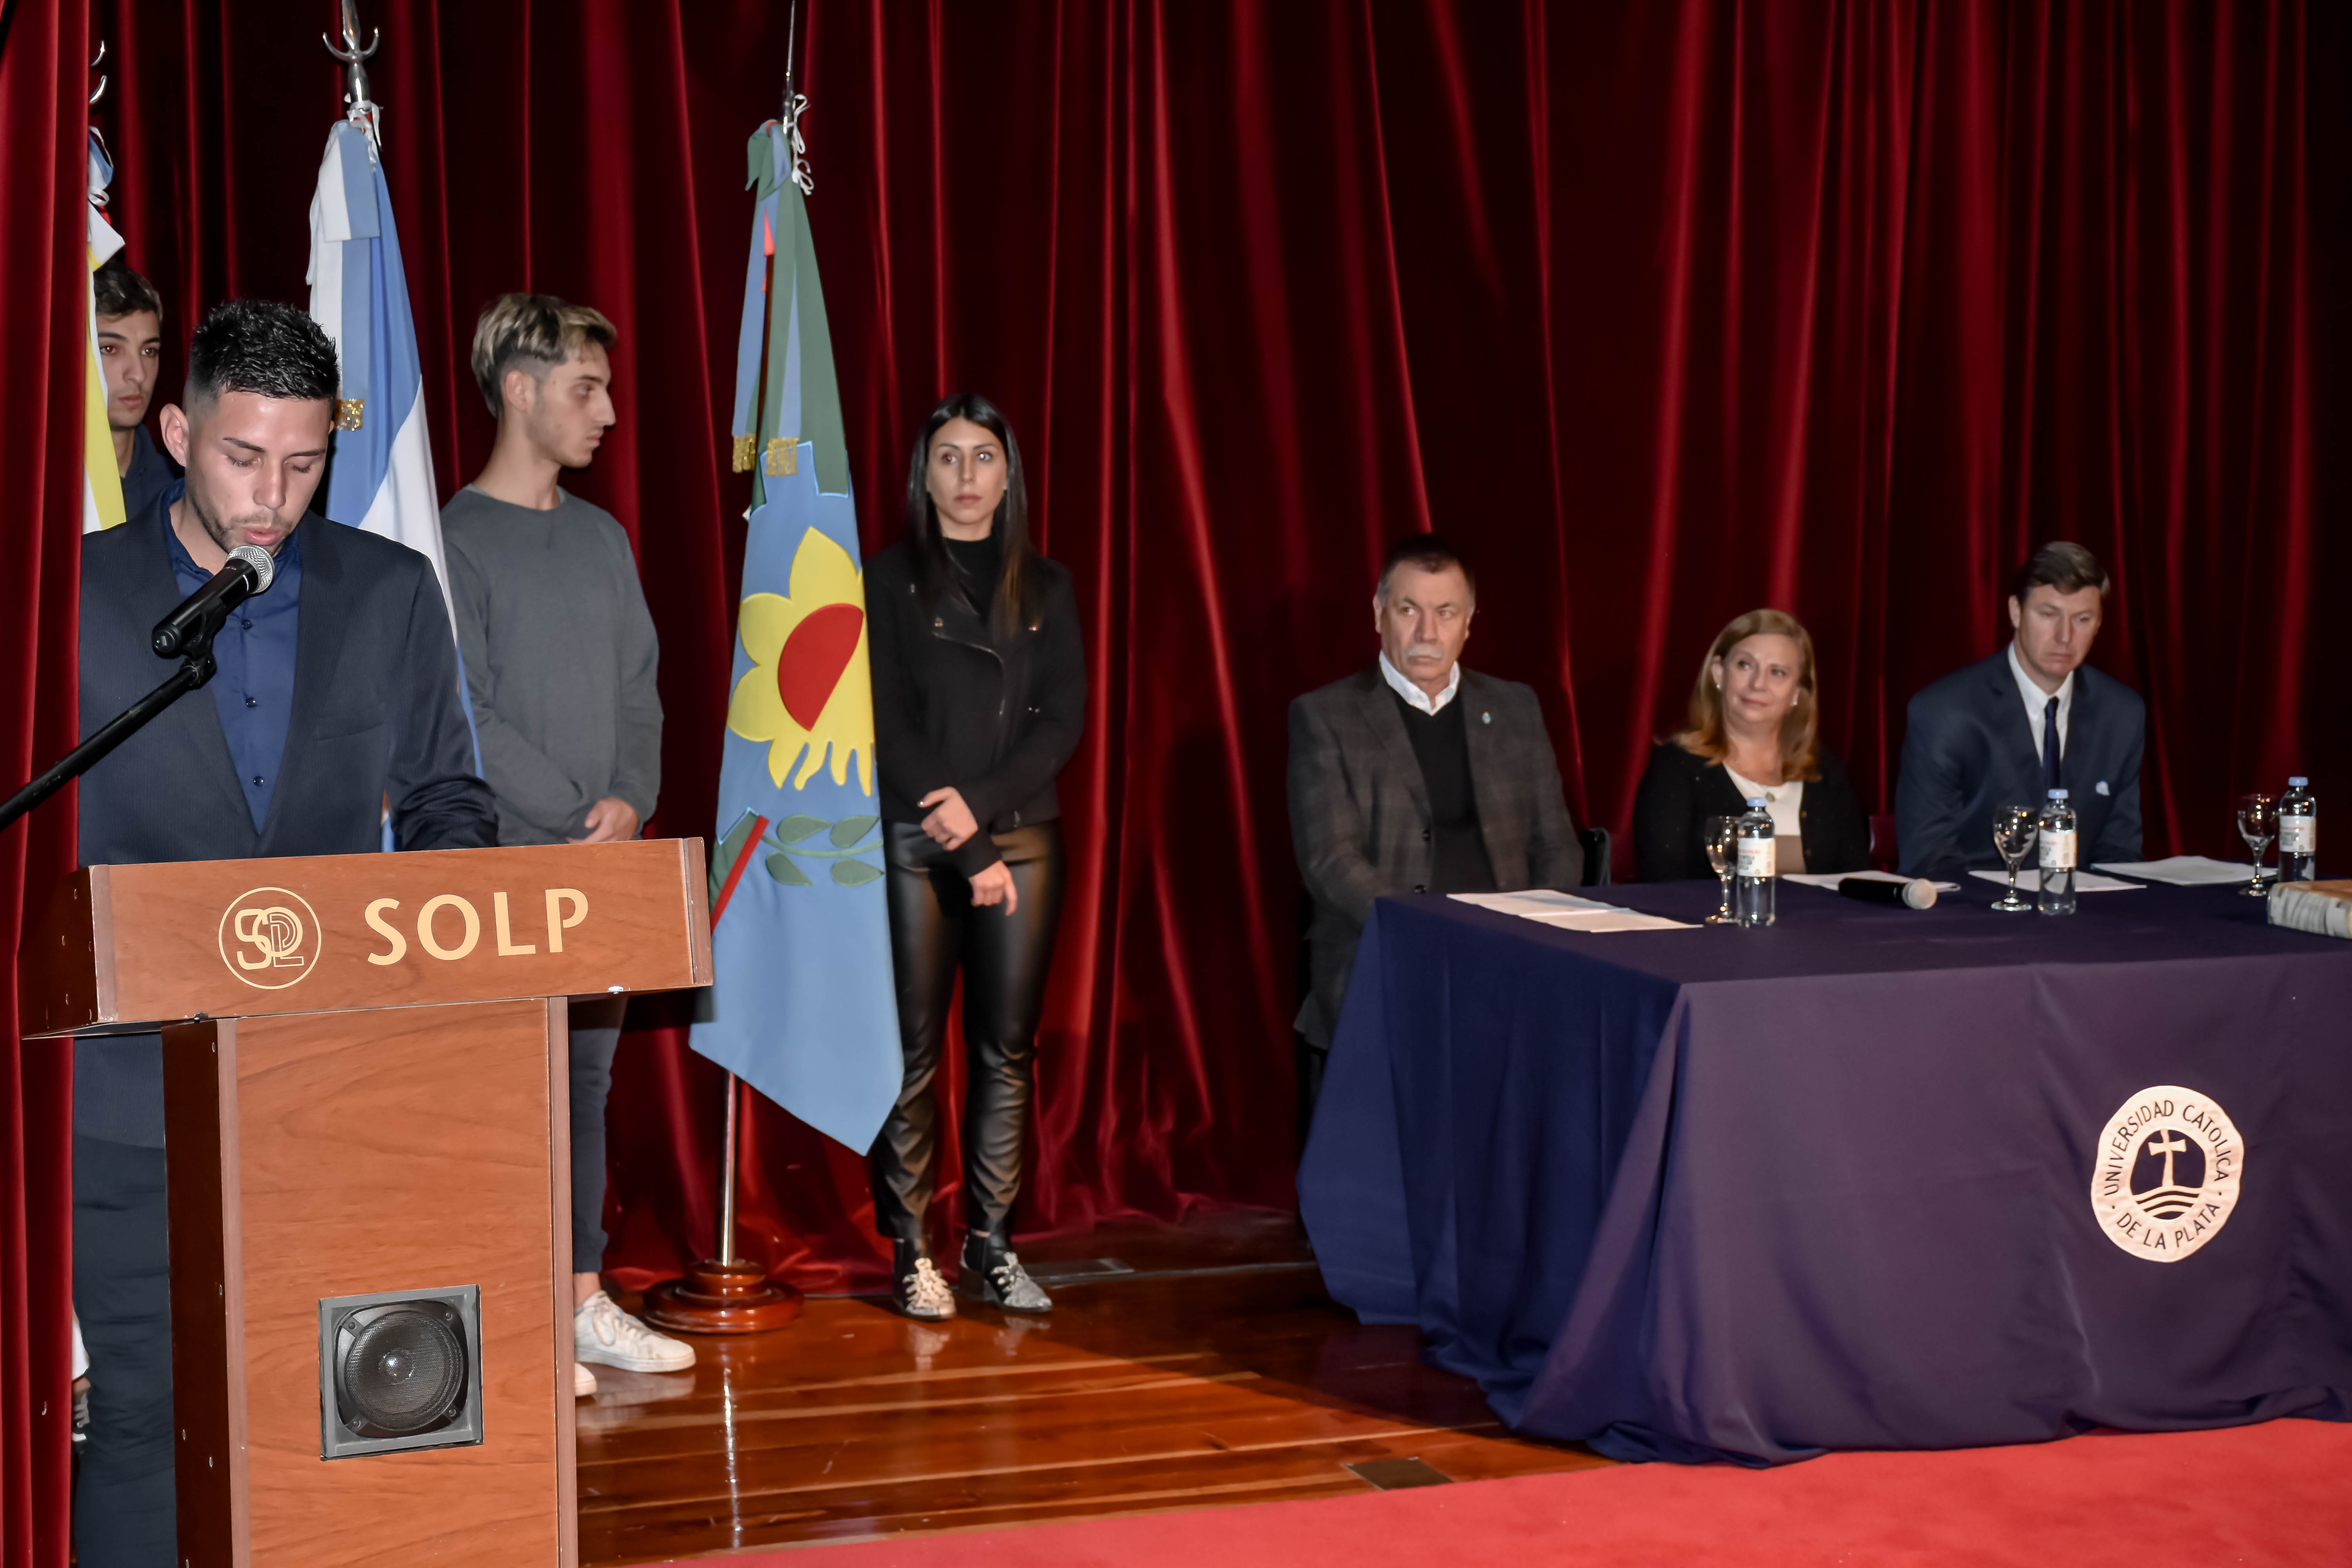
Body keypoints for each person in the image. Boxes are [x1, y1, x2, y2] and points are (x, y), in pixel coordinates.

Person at [74, 299, 496, 1567]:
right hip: (122, 1089)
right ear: (175, 431)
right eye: (242, 457)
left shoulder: (388, 591)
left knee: (338, 1408)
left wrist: (443, 924)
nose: (273, 495)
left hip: (324, 1088)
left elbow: (445, 798)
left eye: (304, 463)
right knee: (146, 1417)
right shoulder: (70, 597)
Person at [440, 294, 688, 1396]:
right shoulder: (450, 537)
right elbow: (463, 712)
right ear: (523, 388)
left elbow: (642, 692)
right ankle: (513, 1311)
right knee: (506, 1093)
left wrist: (629, 801)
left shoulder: (603, 538)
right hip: (507, 872)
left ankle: (578, 1299)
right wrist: (572, 817)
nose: (610, 412)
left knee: (585, 1081)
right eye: (586, 388)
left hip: (603, 866)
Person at [865, 393, 1084, 1321]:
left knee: (1005, 1052)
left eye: (982, 457)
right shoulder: (884, 578)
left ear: (1008, 474)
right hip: (918, 839)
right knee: (912, 1055)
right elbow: (886, 720)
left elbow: (1060, 722)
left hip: (1021, 841)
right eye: (947, 457)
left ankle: (991, 1242)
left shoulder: (1049, 587)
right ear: (924, 474)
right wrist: (963, 837)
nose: (965, 476)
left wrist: (984, 820)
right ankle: (913, 1250)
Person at [1287, 534, 1584, 1118]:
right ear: (1378, 615)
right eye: (1408, 610)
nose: (1427, 632)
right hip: (1385, 954)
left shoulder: (1516, 707)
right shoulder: (1325, 716)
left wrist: (1533, 931)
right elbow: (1331, 862)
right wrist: (1434, 939)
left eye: (1445, 612)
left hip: (1512, 954)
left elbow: (1556, 845)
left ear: (1469, 622)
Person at [1896, 541, 2144, 877]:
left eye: (2083, 619)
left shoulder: (2121, 713)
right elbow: (1929, 859)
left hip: (2085, 917)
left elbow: (2120, 853)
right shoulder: (1946, 712)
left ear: (2099, 624)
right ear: (2016, 612)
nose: (2064, 636)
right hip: (1977, 917)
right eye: (2048, 615)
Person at [1631, 609, 1870, 881]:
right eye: (1745, 665)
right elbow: (1662, 884)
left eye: (1777, 673)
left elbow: (1855, 879)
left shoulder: (1826, 771)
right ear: (1719, 674)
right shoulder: (1676, 768)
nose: (1758, 684)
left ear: (1797, 693)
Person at [93, 259, 182, 521]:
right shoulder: (40, 490)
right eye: (110, 349)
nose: (138, 374)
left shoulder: (179, 493)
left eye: (149, 351)